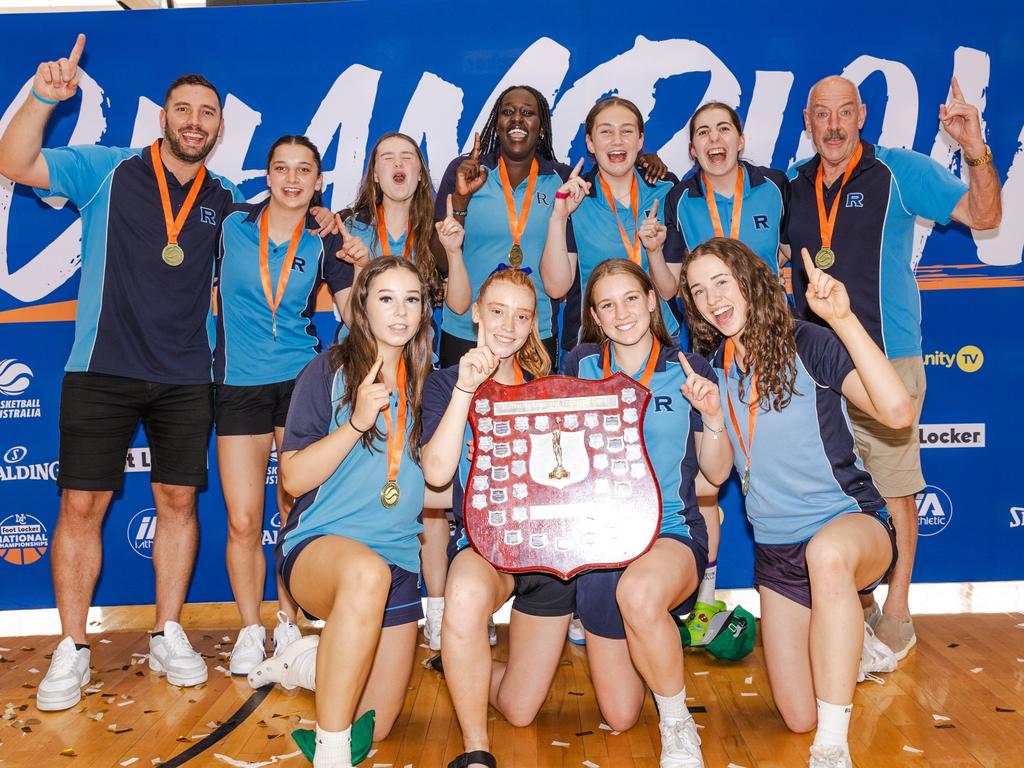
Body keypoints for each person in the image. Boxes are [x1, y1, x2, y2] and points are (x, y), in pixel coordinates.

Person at [0, 36, 252, 710]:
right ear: (163, 118)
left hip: (185, 376)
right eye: (183, 109)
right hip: (101, 370)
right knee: (80, 507)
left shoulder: (223, 199)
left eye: (207, 113)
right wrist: (42, 99)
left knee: (176, 502)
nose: (194, 121)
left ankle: (168, 631)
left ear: (219, 127)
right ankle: (73, 647)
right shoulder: (107, 171)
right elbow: (14, 160)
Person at [786, 76, 1001, 658]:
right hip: (816, 367)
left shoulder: (899, 171)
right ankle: (860, 606)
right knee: (833, 492)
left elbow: (984, 215)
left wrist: (975, 148)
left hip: (888, 359)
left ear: (861, 116)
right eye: (822, 114)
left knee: (894, 489)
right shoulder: (793, 186)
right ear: (808, 120)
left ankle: (898, 614)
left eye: (844, 113)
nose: (833, 125)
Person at [681, 237, 914, 768]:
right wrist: (714, 417)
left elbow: (898, 412)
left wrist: (845, 319)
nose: (712, 298)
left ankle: (832, 749)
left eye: (722, 281)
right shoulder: (712, 367)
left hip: (852, 527)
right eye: (698, 290)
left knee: (827, 557)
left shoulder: (808, 342)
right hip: (777, 553)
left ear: (750, 279)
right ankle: (849, 648)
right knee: (796, 715)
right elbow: (713, 476)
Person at [247, 257, 444, 768]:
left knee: (376, 725)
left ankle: (307, 662)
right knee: (364, 572)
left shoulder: (430, 383)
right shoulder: (327, 370)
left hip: (398, 562)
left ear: (424, 311)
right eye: (386, 298)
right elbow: (291, 479)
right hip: (322, 548)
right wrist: (357, 422)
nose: (400, 311)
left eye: (411, 299)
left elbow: (436, 485)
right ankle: (330, 755)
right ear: (362, 306)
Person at [561, 259, 732, 768]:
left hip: (671, 534)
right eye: (607, 305)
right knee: (619, 715)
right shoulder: (579, 365)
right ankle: (651, 641)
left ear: (652, 300)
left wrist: (714, 418)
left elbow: (716, 476)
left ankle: (678, 724)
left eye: (631, 299)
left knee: (638, 593)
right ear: (594, 314)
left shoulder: (688, 368)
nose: (622, 313)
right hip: (601, 547)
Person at [214, 135, 354, 674]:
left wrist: (359, 265)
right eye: (281, 169)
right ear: (267, 176)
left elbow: (351, 312)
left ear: (319, 181)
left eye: (304, 170)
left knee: (295, 513)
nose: (292, 179)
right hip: (237, 384)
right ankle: (250, 629)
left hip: (301, 383)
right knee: (245, 519)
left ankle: (288, 623)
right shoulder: (231, 226)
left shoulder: (326, 237)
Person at [420, 268, 566, 768]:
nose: (508, 325)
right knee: (461, 594)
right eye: (497, 311)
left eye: (521, 316)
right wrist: (467, 388)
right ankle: (475, 750)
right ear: (476, 313)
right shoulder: (445, 383)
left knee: (521, 712)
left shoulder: (549, 387)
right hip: (484, 546)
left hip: (547, 556)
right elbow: (437, 474)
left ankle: (465, 663)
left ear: (533, 325)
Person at [658, 101, 791, 641]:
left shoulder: (777, 187)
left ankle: (791, 591)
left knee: (774, 467)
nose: (714, 140)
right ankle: (705, 602)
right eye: (702, 133)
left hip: (773, 350)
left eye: (724, 130)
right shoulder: (678, 199)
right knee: (707, 479)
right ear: (692, 149)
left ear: (740, 139)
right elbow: (671, 288)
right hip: (710, 354)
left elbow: (796, 253)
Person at [336, 131, 470, 651]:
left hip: (420, 375)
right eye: (385, 158)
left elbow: (458, 306)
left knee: (432, 497)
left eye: (407, 158)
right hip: (363, 376)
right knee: (365, 488)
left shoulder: (437, 229)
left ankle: (435, 610)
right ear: (373, 173)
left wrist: (454, 253)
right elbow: (349, 315)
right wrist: (354, 266)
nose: (396, 166)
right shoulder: (350, 228)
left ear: (420, 173)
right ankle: (361, 604)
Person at [541, 96, 681, 346]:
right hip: (593, 345)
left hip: (661, 339)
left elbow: (669, 291)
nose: (617, 140)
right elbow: (555, 288)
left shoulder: (666, 190)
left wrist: (655, 250)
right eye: (606, 132)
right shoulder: (575, 197)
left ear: (640, 140)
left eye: (626, 131)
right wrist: (559, 217)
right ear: (590, 143)